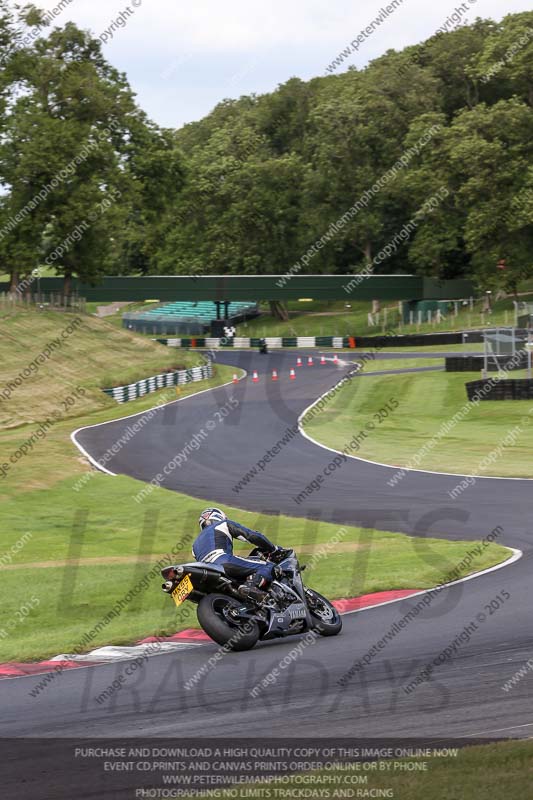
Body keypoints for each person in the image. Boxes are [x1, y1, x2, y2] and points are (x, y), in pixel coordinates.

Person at [193, 507, 283, 590]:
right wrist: (273, 548)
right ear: (220, 517)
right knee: (269, 566)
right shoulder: (223, 524)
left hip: (205, 571)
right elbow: (251, 536)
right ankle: (251, 588)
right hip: (222, 561)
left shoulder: (194, 545)